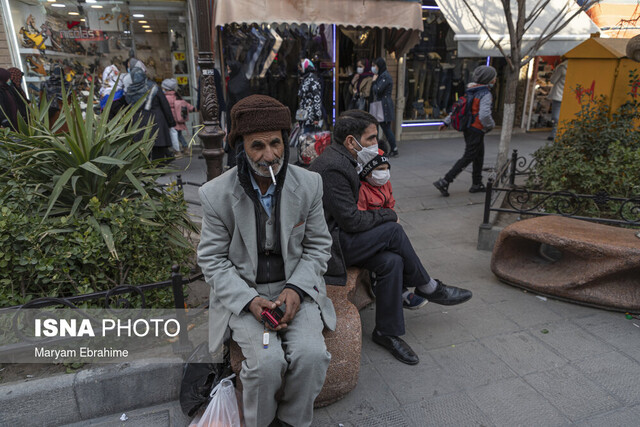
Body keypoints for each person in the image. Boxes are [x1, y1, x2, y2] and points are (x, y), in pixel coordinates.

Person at [197, 95, 336, 427]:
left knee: (312, 356)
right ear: (240, 147)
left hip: (294, 285)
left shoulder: (309, 184)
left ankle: (291, 422)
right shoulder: (216, 195)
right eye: (256, 146)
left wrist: (297, 290)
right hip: (246, 291)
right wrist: (250, 301)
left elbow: (318, 247)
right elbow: (213, 261)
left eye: (275, 143)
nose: (269, 155)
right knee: (264, 364)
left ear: (285, 141)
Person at [309, 110, 472, 365]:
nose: (376, 143)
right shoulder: (333, 167)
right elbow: (351, 220)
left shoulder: (344, 159)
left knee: (391, 262)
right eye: (371, 138)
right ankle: (428, 286)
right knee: (393, 230)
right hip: (332, 248)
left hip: (343, 238)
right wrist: (387, 214)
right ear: (352, 141)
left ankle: (387, 332)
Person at [356, 148, 428, 310]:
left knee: (397, 252)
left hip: (386, 230)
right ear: (367, 173)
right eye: (380, 170)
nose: (385, 173)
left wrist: (390, 219)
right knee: (391, 249)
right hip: (368, 234)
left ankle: (404, 287)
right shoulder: (362, 189)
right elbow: (360, 218)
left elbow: (391, 206)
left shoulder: (386, 185)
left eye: (387, 168)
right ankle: (417, 286)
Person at [434, 65, 496, 197]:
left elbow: (458, 108)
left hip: (469, 127)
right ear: (489, 79)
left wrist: (446, 121)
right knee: (469, 156)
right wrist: (491, 125)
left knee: (478, 156)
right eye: (493, 76)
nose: (495, 79)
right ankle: (445, 180)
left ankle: (476, 183)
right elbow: (484, 114)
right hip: (477, 129)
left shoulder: (471, 90)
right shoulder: (485, 94)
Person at [124, 58, 176, 160]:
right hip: (156, 120)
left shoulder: (129, 91)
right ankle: (159, 167)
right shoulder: (153, 87)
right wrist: (171, 121)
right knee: (158, 147)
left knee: (142, 147)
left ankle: (145, 168)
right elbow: (164, 104)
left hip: (138, 121)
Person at [225, 60, 251, 168]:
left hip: (238, 116)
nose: (228, 71)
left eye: (229, 69)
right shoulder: (239, 81)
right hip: (235, 116)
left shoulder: (237, 83)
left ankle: (238, 162)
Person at [371, 57, 399, 157]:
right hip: (379, 104)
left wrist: (374, 82)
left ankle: (394, 148)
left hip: (384, 105)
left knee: (386, 127)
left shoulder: (385, 76)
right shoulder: (381, 75)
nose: (374, 68)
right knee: (378, 127)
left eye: (375, 66)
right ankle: (379, 148)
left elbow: (378, 90)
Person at [162, 78, 196, 157]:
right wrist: (193, 108)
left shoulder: (166, 97)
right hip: (179, 119)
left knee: (174, 135)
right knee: (179, 135)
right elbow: (186, 104)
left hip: (171, 120)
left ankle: (177, 151)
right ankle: (186, 148)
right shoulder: (177, 95)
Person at [297, 58, 323, 133]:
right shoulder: (305, 78)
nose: (300, 70)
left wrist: (316, 117)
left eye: (300, 68)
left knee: (308, 138)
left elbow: (316, 98)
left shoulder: (312, 79)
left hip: (310, 116)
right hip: (304, 115)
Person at [548, 59, 568, 141]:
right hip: (569, 95)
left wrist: (554, 70)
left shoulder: (562, 67)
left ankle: (554, 134)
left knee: (555, 116)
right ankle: (562, 133)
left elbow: (553, 80)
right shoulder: (578, 65)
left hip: (558, 94)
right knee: (564, 116)